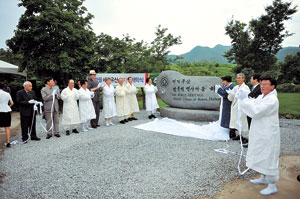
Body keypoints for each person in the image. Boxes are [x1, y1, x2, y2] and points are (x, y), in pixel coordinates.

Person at [239, 75, 280, 196]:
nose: (262, 87)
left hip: (268, 133)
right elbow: (253, 103)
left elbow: (256, 111)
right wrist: (248, 102)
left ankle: (272, 185)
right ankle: (263, 178)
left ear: (272, 86)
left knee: (269, 156)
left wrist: (245, 102)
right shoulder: (262, 96)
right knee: (260, 153)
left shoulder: (272, 100)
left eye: (265, 84)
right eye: (261, 84)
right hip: (259, 132)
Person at [228, 73, 250, 144]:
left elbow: (246, 97)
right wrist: (231, 94)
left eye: (240, 78)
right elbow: (231, 97)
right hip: (235, 106)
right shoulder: (236, 87)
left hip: (241, 107)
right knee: (235, 121)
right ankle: (239, 135)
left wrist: (237, 95)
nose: (238, 79)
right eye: (237, 78)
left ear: (243, 79)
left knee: (242, 121)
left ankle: (244, 136)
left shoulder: (246, 87)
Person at [0, 82, 14, 147]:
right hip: (6, 111)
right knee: (7, 127)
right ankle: (8, 143)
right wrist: (8, 106)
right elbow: (12, 103)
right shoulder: (7, 94)